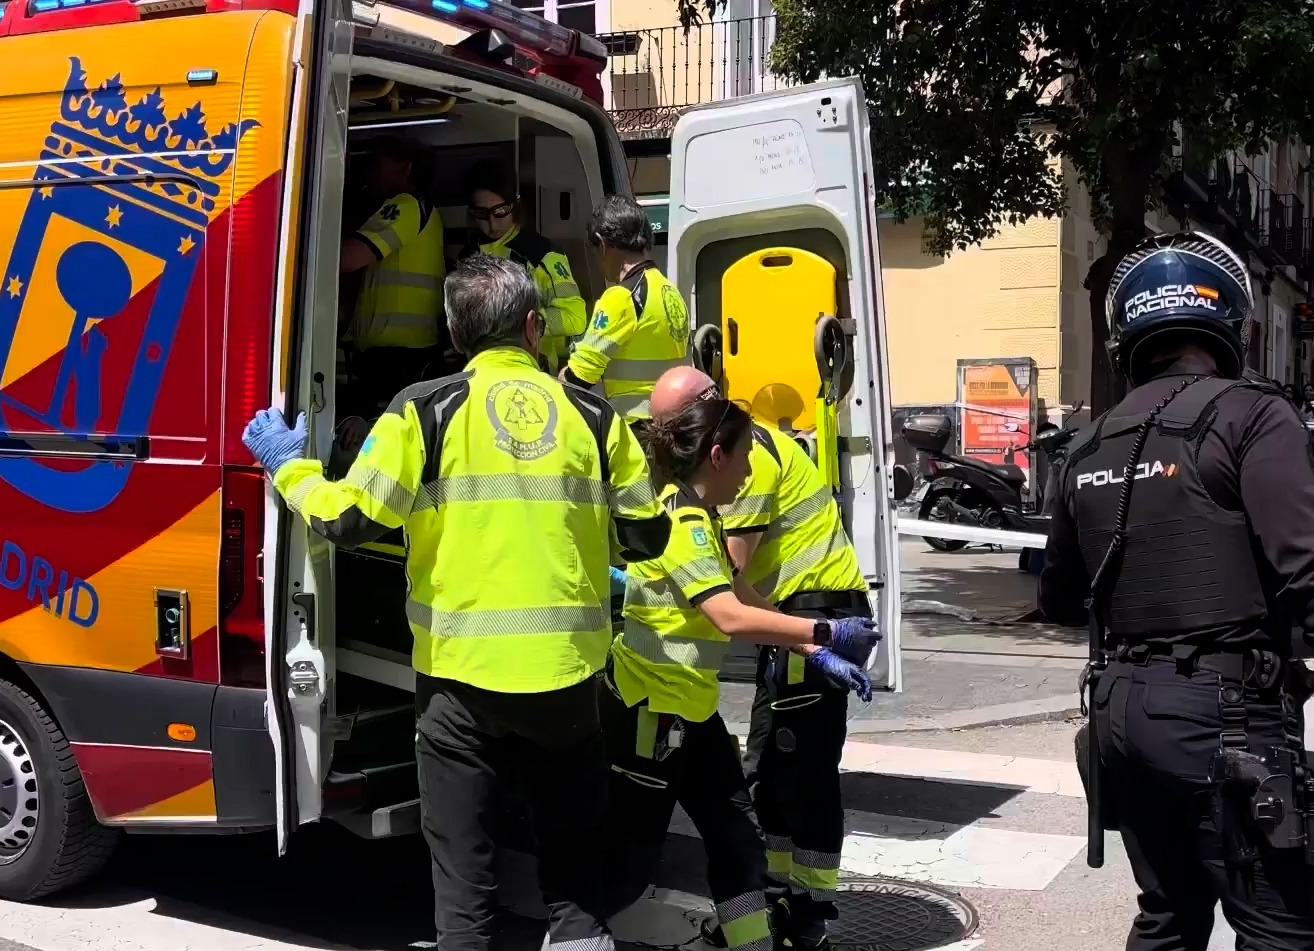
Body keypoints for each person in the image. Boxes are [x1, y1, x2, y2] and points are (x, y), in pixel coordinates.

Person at [242, 254, 672, 951]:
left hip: (458, 685)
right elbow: (647, 535)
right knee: (574, 884)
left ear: (453, 330)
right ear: (535, 328)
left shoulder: (422, 409)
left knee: (465, 886)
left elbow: (348, 521)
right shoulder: (597, 416)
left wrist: (289, 463)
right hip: (567, 684)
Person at [1042, 231, 1314, 951]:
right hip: (1229, 718)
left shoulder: (1086, 445)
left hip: (1121, 716)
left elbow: (1061, 600)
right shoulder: (1255, 415)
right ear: (1227, 321)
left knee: (1168, 917)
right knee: (1277, 932)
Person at [599, 378, 879, 951]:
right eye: (745, 454)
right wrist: (824, 628)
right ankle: (573, 933)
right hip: (651, 718)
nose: (752, 468)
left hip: (691, 717)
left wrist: (812, 650)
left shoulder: (704, 514)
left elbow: (739, 590)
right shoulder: (684, 522)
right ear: (717, 456)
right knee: (627, 864)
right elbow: (728, 615)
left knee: (738, 844)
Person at [339, 136, 447, 414]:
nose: (369, 171)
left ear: (405, 168)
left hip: (397, 359)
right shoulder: (419, 208)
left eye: (376, 162)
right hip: (404, 355)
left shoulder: (405, 206)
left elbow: (347, 259)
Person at [562, 195, 690, 421]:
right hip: (673, 424)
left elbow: (579, 376)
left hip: (635, 430)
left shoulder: (621, 298)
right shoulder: (669, 291)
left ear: (601, 244)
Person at [455, 160, 589, 374]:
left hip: (535, 371)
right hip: (479, 372)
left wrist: (529, 324)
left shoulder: (543, 254)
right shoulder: (466, 257)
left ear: (515, 205)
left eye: (500, 211)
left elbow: (575, 317)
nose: (492, 223)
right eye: (481, 214)